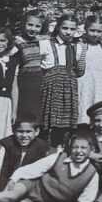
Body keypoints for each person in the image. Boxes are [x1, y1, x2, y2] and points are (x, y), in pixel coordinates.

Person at [39, 13, 85, 146]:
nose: (68, 32)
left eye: (72, 29)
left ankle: (61, 148)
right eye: (65, 28)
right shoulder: (45, 44)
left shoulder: (77, 47)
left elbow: (79, 70)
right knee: (47, 123)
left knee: (65, 126)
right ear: (58, 27)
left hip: (69, 88)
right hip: (51, 87)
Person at [0, 120, 54, 192]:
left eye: (28, 132)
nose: (24, 135)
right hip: (5, 182)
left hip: (27, 183)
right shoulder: (5, 144)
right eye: (20, 131)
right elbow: (1, 171)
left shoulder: (42, 146)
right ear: (13, 131)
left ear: (36, 132)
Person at [12, 10, 47, 124]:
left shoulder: (43, 41)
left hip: (41, 81)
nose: (33, 29)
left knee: (40, 114)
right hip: (25, 83)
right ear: (23, 24)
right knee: (26, 114)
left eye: (37, 26)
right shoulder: (17, 42)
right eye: (30, 25)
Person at [76, 15, 102, 124]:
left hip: (99, 87)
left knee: (99, 113)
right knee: (83, 111)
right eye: (92, 30)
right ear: (86, 29)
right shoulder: (79, 46)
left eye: (99, 31)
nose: (95, 34)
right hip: (83, 86)